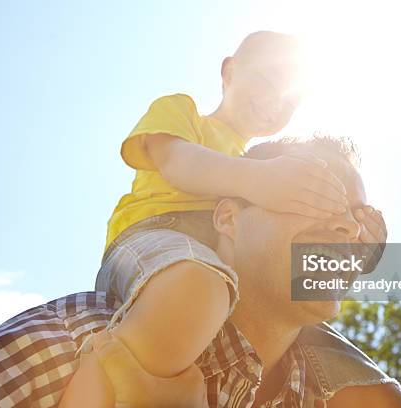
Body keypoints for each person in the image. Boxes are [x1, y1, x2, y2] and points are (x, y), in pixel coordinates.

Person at [0, 136, 401, 407]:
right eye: (317, 193)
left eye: (362, 218)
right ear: (227, 217)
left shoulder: (347, 396)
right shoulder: (68, 341)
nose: (348, 226)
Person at [92, 29, 348, 391]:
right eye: (268, 80)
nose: (276, 102)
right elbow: (180, 163)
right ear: (229, 72)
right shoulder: (183, 112)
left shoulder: (260, 162)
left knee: (313, 336)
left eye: (290, 101)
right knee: (199, 284)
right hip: (156, 234)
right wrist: (259, 179)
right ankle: (102, 377)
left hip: (225, 262)